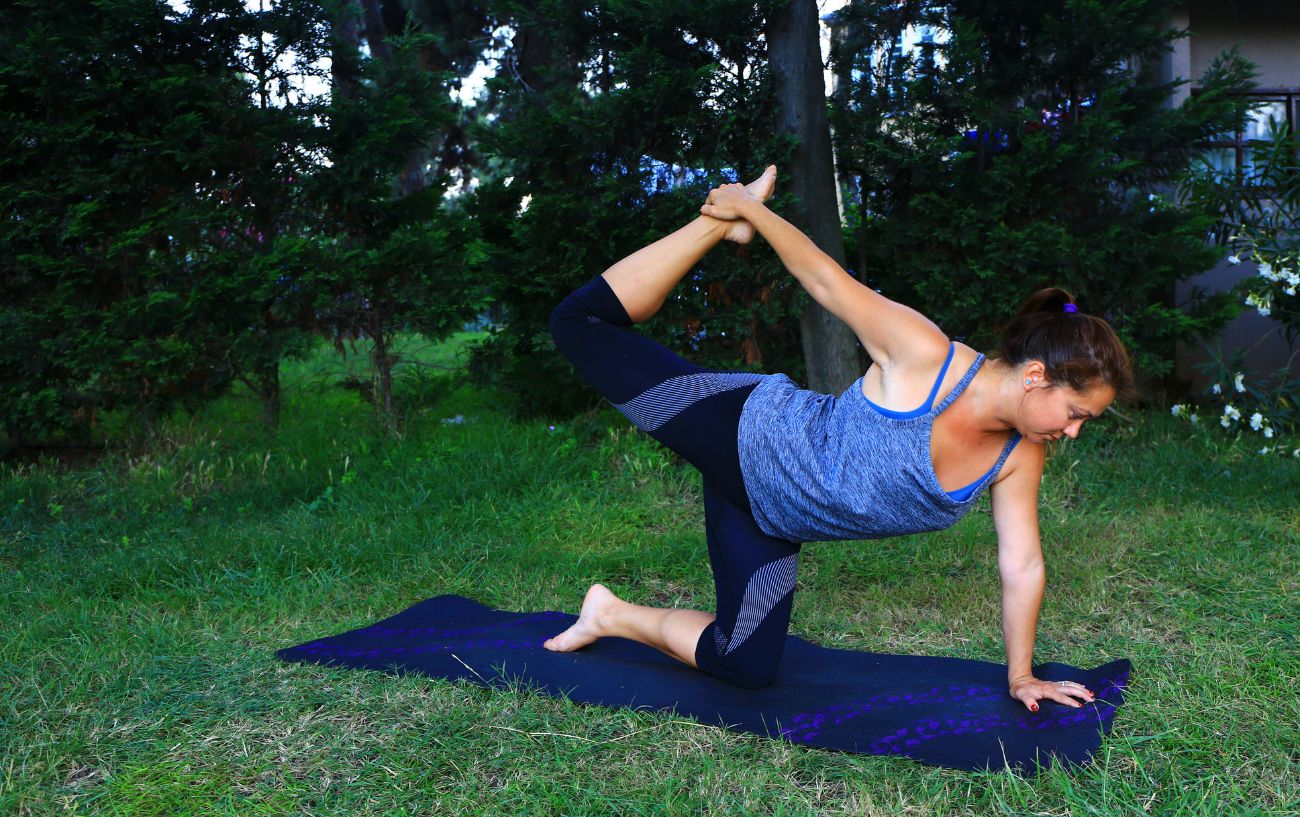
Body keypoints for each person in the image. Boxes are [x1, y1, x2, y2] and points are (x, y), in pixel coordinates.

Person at [543, 165, 1134, 713]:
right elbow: (826, 281)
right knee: (578, 323)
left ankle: (609, 614)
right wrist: (751, 208)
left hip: (770, 517)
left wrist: (1021, 676)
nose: (1073, 431)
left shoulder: (1018, 454)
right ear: (1036, 377)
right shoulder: (926, 357)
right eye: (1076, 411)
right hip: (742, 432)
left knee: (744, 664)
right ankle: (711, 227)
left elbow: (1023, 563)